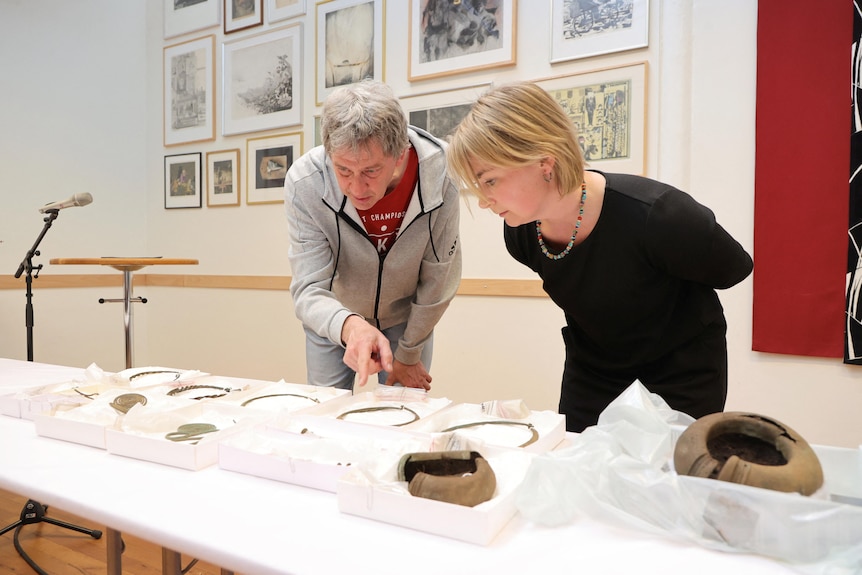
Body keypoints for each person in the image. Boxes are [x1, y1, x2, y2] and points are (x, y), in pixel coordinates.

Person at [446, 81, 753, 432]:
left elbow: (733, 268)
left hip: (681, 373)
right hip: (594, 371)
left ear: (544, 162)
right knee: (581, 468)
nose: (484, 202)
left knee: (666, 479)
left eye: (490, 181)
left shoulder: (658, 215)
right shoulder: (520, 234)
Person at [284, 80, 462, 391]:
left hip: (406, 321)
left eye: (370, 171)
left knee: (403, 414)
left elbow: (439, 277)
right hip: (334, 317)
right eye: (343, 170)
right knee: (325, 412)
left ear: (399, 154)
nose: (356, 188)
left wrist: (409, 354)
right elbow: (309, 289)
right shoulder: (305, 182)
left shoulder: (441, 172)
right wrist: (351, 327)